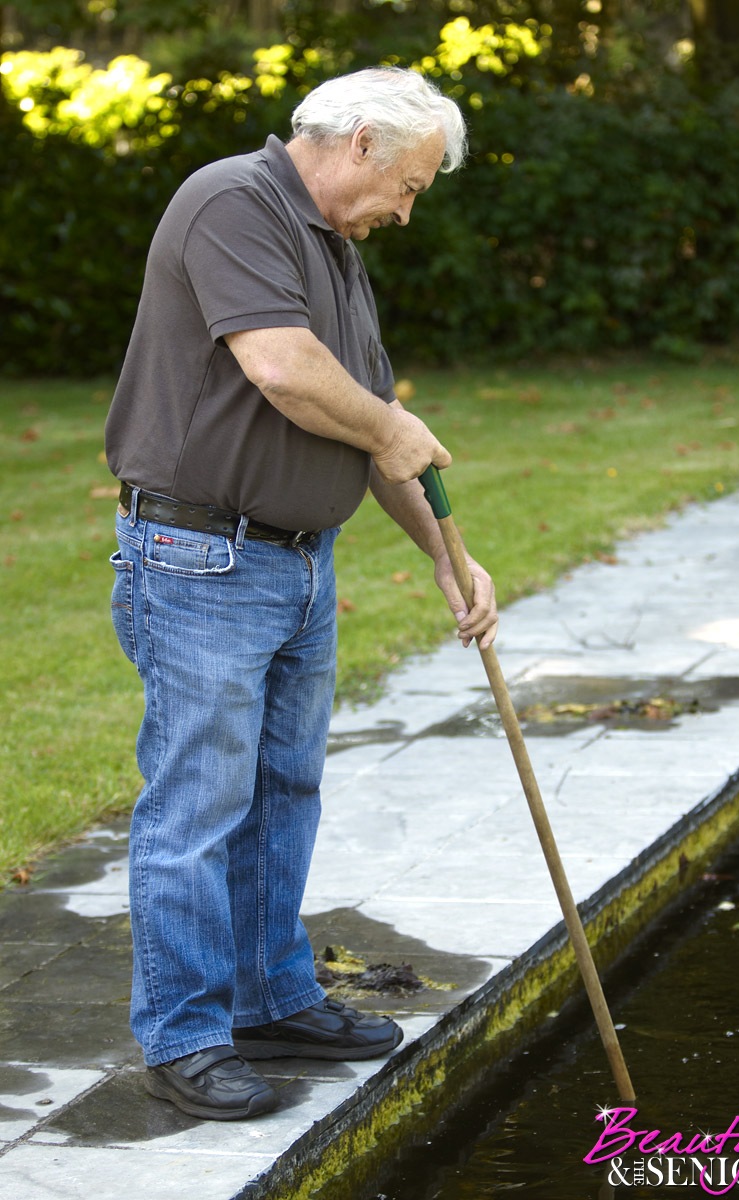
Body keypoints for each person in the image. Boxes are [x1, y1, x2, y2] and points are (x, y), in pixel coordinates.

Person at [105, 66, 498, 1122]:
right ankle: (184, 1038)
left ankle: (270, 998)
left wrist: (444, 553)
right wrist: (389, 426)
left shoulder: (333, 247)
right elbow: (283, 367)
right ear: (362, 142)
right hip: (201, 560)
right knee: (197, 806)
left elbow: (367, 425)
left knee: (283, 791)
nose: (406, 211)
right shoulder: (232, 201)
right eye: (408, 185)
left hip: (296, 562)